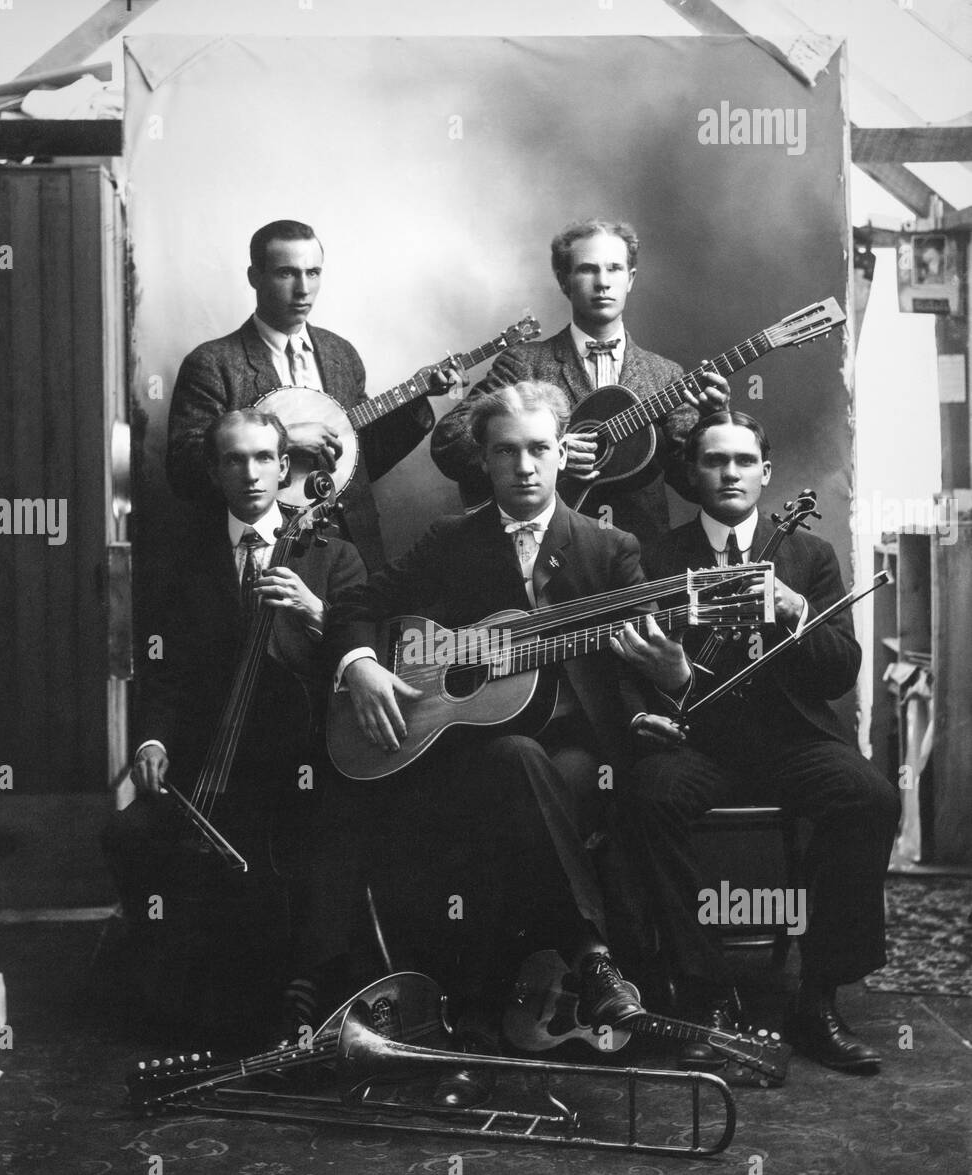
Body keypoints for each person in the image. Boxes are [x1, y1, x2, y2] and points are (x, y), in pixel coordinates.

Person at [318, 381, 692, 1097]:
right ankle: (593, 959)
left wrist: (672, 671)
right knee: (512, 761)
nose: (524, 466)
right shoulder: (451, 540)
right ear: (483, 464)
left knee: (526, 775)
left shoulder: (610, 548)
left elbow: (653, 671)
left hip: (580, 749)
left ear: (562, 456)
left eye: (538, 449)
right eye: (506, 452)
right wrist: (360, 664)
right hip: (472, 747)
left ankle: (476, 1026)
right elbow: (360, 602)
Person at [611, 410, 900, 1072]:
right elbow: (627, 668)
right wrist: (643, 714)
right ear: (691, 474)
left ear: (765, 473)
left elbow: (838, 672)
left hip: (789, 740)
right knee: (644, 799)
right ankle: (706, 996)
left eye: (744, 461)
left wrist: (797, 611)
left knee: (870, 797)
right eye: (715, 460)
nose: (730, 472)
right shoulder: (654, 558)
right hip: (698, 743)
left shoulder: (808, 555)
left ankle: (818, 1000)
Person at [103, 410, 366, 1045]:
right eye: (233, 460)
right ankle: (174, 980)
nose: (249, 474)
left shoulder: (335, 555)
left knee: (322, 836)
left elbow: (365, 649)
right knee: (131, 831)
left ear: (284, 468)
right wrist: (153, 741)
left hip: (305, 760)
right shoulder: (180, 560)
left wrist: (315, 612)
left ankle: (306, 977)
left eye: (262, 459)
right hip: (207, 767)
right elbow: (162, 671)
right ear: (216, 471)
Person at [166, 219, 463, 574]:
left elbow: (362, 461)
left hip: (349, 545)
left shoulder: (341, 354)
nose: (303, 289)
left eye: (313, 272)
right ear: (254, 276)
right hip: (262, 554)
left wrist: (416, 401)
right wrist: (284, 441)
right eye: (286, 273)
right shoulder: (212, 363)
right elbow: (185, 469)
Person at [430, 217, 730, 556]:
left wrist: (714, 422)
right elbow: (450, 444)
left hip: (639, 560)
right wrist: (547, 454)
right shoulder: (524, 363)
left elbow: (697, 486)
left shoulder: (665, 375)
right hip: (539, 557)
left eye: (614, 269)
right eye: (588, 270)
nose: (603, 283)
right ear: (564, 281)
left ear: (630, 280)